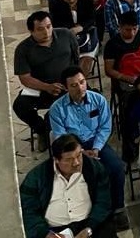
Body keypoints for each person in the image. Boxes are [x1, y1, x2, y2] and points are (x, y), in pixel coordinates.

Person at [49, 66, 127, 219]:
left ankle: (118, 208)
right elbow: (60, 137)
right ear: (66, 88)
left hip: (96, 142)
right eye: (74, 85)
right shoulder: (57, 109)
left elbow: (105, 127)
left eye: (82, 82)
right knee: (84, 176)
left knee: (116, 168)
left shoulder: (98, 100)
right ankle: (90, 213)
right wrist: (80, 152)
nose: (80, 88)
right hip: (72, 147)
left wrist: (96, 148)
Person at [19, 134, 115, 238]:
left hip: (90, 224)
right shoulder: (36, 177)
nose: (76, 163)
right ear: (56, 160)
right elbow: (28, 211)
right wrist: (45, 234)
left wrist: (89, 229)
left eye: (79, 155)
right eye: (69, 159)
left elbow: (103, 202)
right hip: (54, 230)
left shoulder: (95, 168)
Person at [12, 11, 78, 150]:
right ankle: (41, 130)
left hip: (67, 85)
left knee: (90, 97)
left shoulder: (66, 35)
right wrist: (47, 87)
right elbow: (25, 78)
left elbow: (76, 59)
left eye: (49, 26)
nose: (46, 32)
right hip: (40, 88)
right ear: (31, 31)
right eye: (40, 29)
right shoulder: (23, 49)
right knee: (20, 106)